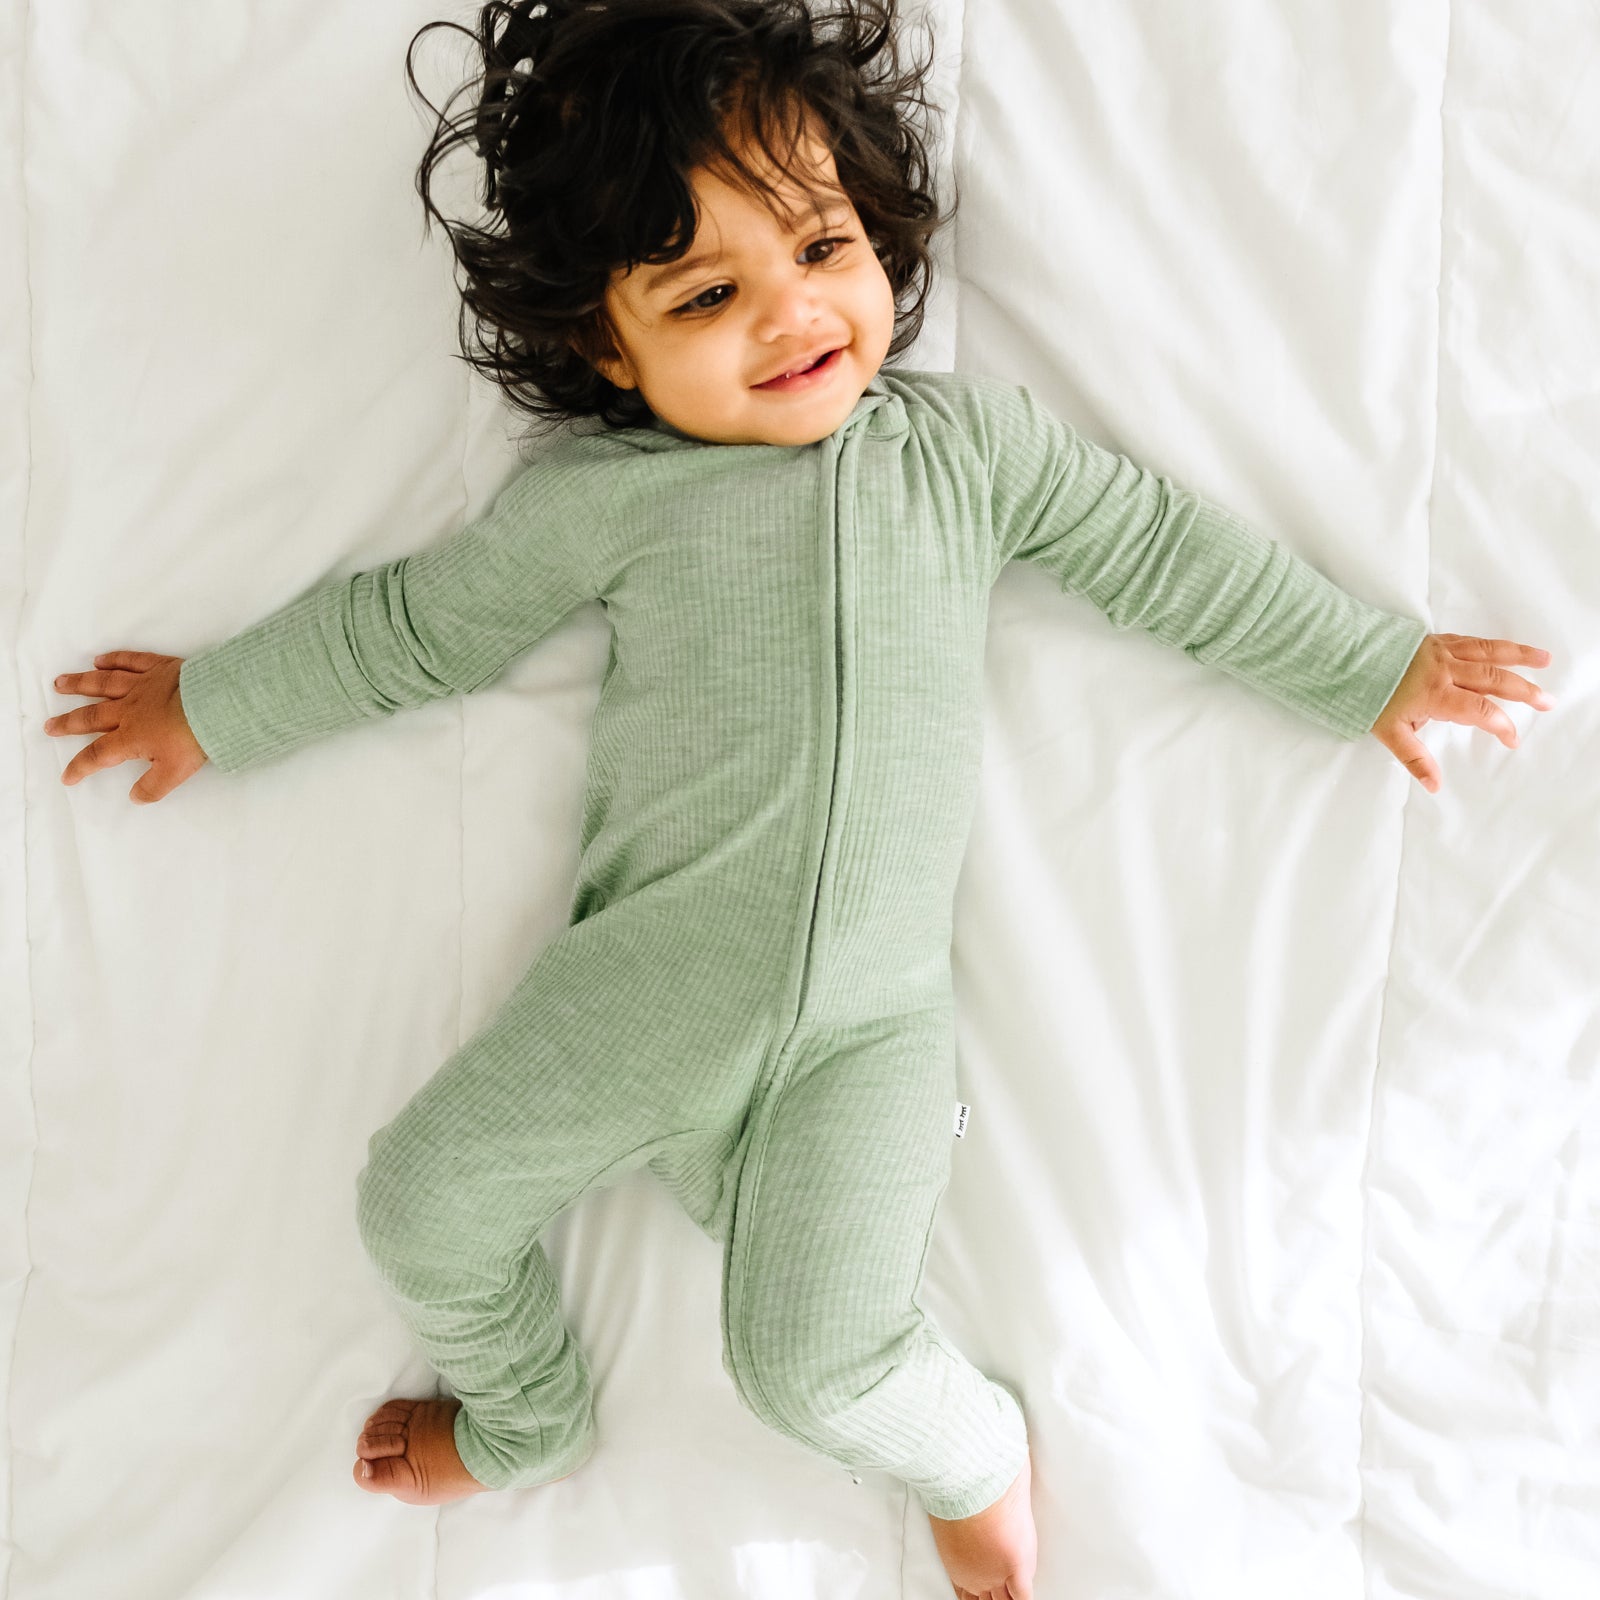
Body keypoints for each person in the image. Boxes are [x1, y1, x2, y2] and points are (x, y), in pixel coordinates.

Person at [42, 3, 1553, 1595]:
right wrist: (215, 704)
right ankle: (523, 1412)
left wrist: (1365, 667)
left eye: (822, 247)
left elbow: (1163, 553)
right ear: (604, 347)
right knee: (417, 1202)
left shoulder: (969, 450)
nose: (793, 313)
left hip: (870, 1042)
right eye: (708, 293)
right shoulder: (600, 505)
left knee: (813, 1365)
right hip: (635, 998)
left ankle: (972, 1464)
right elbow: (418, 629)